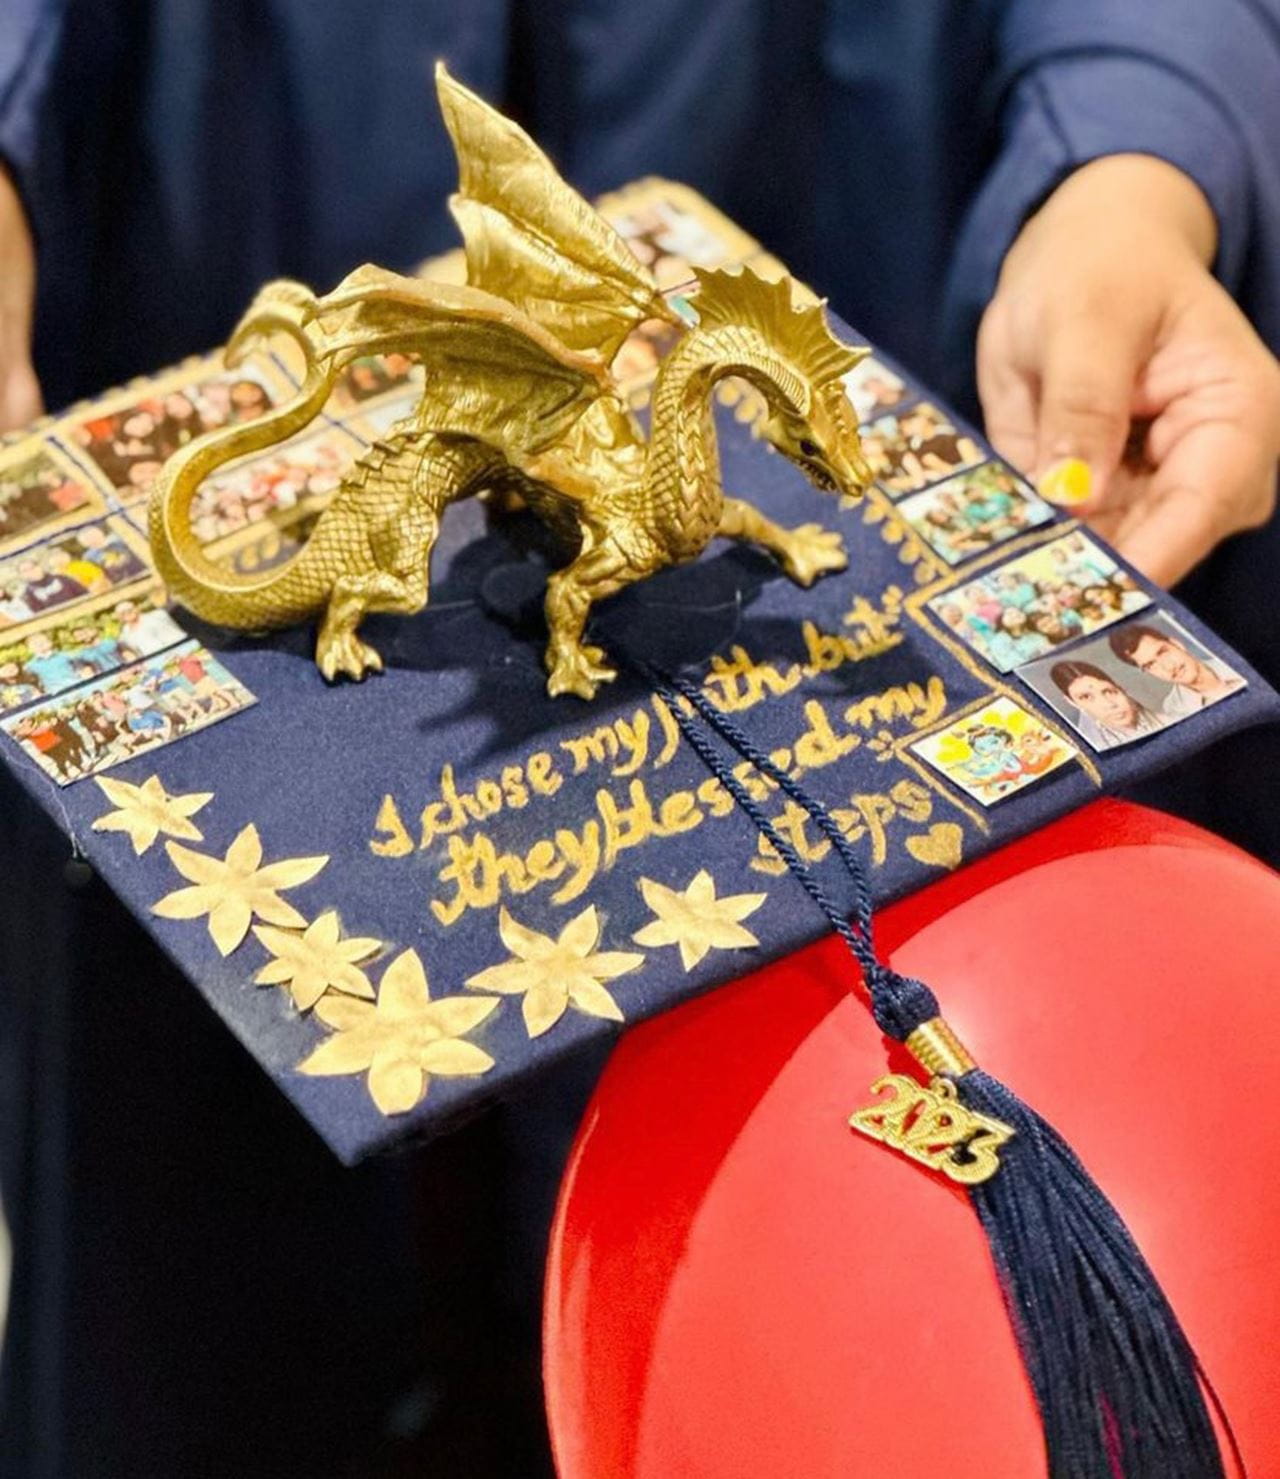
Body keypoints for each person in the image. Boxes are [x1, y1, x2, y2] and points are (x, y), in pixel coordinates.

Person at [1, 6, 1278, 1477]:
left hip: (853, 184)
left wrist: (1130, 152)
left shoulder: (711, 435)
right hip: (239, 198)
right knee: (227, 1317)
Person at [1109, 620, 1246, 719]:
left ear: (1176, 644)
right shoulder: (1173, 709)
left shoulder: (1231, 658)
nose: (1169, 667)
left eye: (1162, 652)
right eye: (1151, 665)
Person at [1050, 657, 1166, 749]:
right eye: (1086, 697)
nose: (1109, 705)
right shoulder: (1089, 745)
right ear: (1072, 702)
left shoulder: (1165, 717)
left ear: (1120, 688)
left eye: (1109, 692)